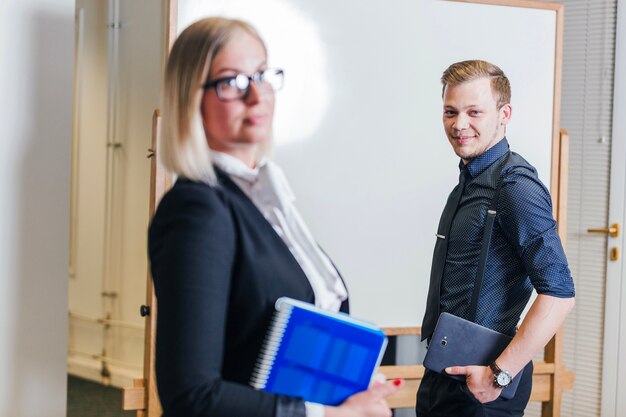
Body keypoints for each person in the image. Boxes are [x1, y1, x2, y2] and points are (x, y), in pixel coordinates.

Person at [149, 17, 402, 417]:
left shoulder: (266, 198)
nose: (257, 95)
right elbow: (191, 397)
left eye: (262, 75)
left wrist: (348, 388)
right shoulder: (197, 211)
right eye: (232, 81)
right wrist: (332, 415)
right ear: (191, 97)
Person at [416, 60, 575, 417]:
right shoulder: (469, 181)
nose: (460, 124)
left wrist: (498, 375)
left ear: (504, 114)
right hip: (443, 374)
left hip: (483, 386)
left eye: (474, 112)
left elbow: (560, 293)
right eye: (450, 112)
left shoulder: (515, 186)